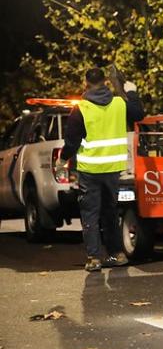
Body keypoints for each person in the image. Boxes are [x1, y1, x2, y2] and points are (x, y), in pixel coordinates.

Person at [56, 67, 144, 272]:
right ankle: (117, 254)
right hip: (113, 169)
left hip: (90, 170)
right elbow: (138, 113)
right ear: (105, 82)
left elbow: (72, 141)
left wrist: (62, 159)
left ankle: (94, 258)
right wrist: (131, 92)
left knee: (90, 215)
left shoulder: (82, 109)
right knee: (110, 212)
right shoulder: (119, 104)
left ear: (86, 83)